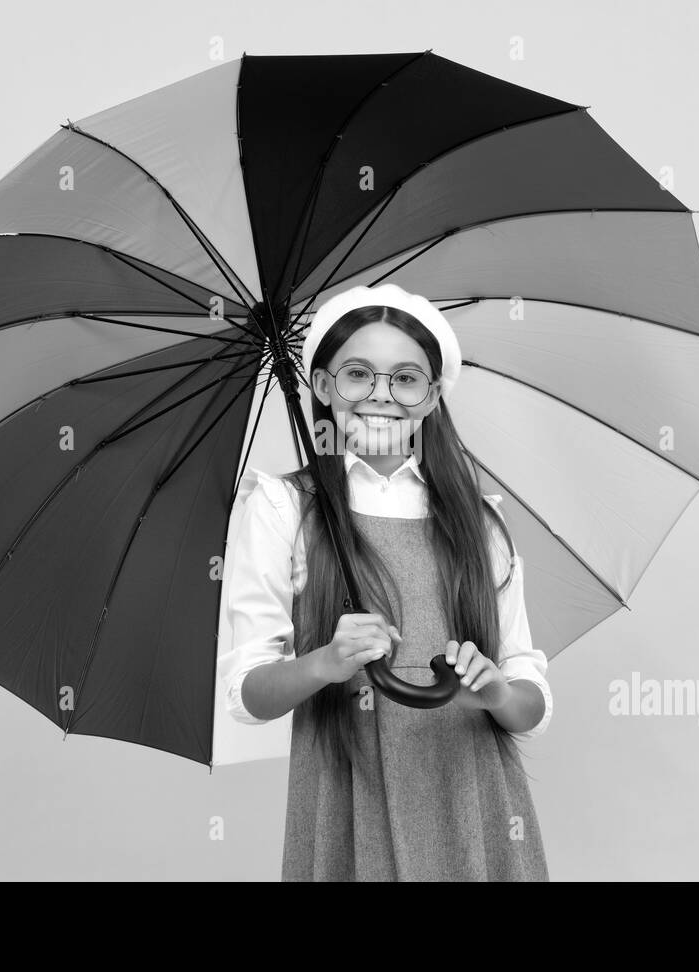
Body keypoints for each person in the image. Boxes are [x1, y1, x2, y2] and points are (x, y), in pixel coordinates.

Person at [218, 282, 552, 881]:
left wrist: (497, 692)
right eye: (357, 375)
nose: (381, 396)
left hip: (472, 800)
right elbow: (248, 694)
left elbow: (528, 697)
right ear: (322, 388)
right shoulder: (283, 508)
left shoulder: (479, 520)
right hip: (348, 797)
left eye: (405, 379)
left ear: (431, 397)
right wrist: (325, 662)